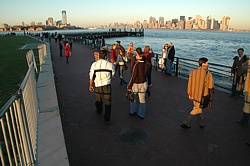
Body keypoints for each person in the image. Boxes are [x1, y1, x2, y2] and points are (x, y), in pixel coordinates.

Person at [181, 57, 214, 129]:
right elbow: (210, 86)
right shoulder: (208, 73)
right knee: (197, 109)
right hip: (202, 96)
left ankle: (201, 123)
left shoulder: (193, 72)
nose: (208, 64)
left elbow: (190, 83)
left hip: (193, 94)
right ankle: (185, 123)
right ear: (203, 64)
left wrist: (189, 93)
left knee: (198, 108)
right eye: (207, 63)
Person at [89, 50, 115, 124]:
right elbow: (113, 74)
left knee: (98, 100)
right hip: (107, 85)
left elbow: (91, 76)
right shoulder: (110, 64)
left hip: (97, 85)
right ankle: (107, 119)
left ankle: (99, 111)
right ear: (106, 56)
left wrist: (91, 85)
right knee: (108, 102)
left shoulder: (94, 64)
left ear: (99, 56)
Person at [127, 49, 150, 119]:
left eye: (137, 55)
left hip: (136, 83)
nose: (136, 56)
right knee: (142, 99)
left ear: (140, 57)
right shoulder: (147, 65)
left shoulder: (137, 65)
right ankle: (141, 114)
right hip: (144, 83)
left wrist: (129, 85)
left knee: (133, 98)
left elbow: (133, 76)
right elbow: (149, 76)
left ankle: (132, 111)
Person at [237, 59, 250, 127]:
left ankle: (244, 121)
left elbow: (240, 72)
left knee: (247, 105)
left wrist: (246, 65)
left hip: (248, 89)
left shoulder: (248, 63)